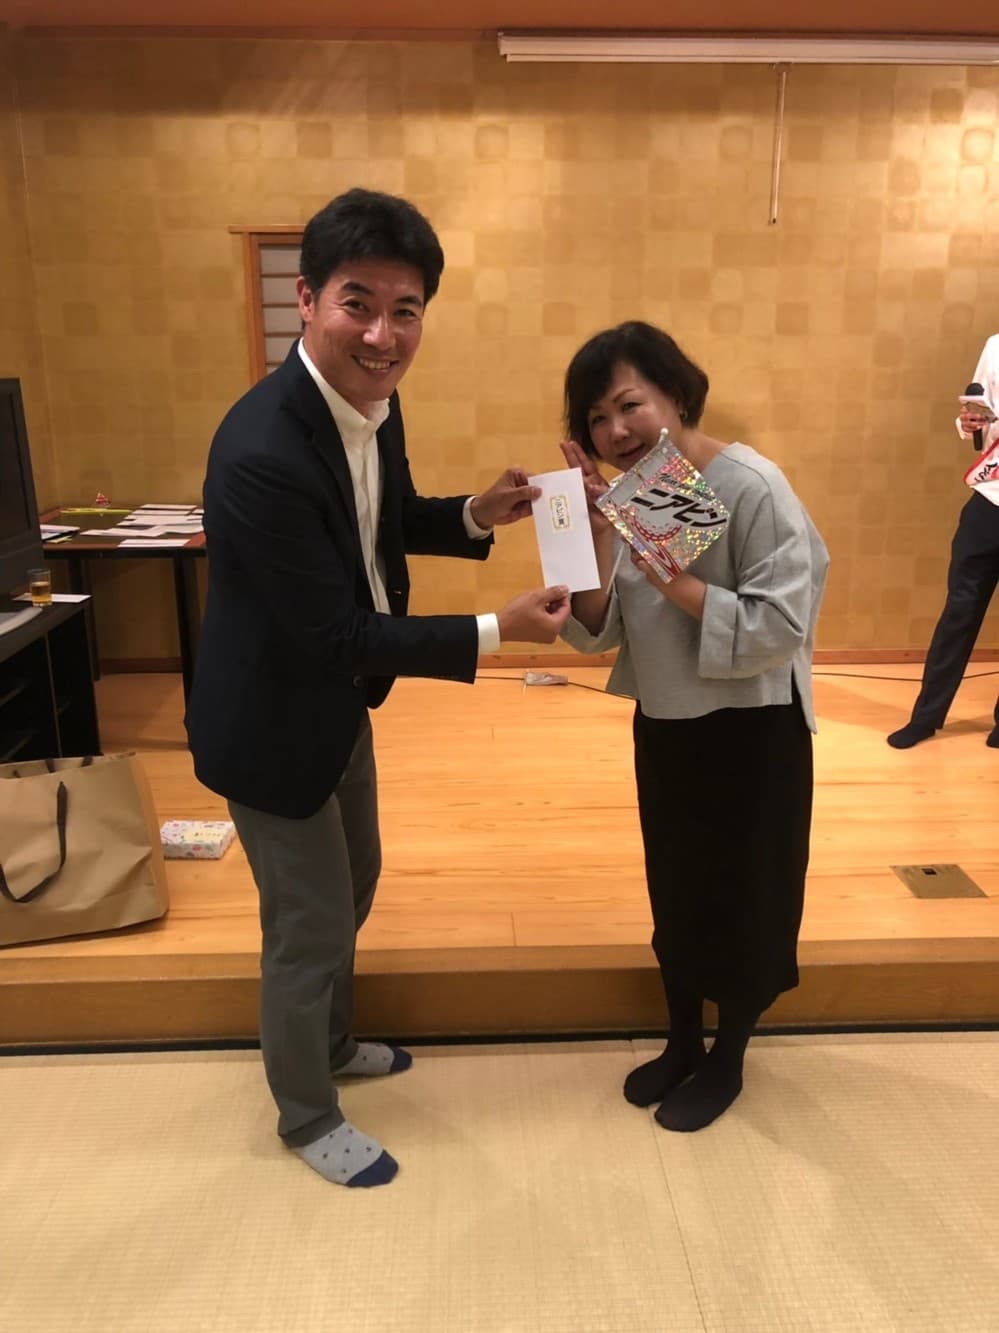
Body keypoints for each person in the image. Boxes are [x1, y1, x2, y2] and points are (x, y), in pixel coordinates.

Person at [185, 188, 570, 1187]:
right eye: (358, 303)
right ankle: (306, 1113)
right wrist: (497, 630)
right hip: (269, 722)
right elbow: (332, 631)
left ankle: (332, 1041)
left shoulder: (369, 404)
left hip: (335, 700)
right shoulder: (261, 451)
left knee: (354, 880)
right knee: (307, 923)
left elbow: (380, 518)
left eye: (406, 311)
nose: (382, 334)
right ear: (308, 299)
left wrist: (474, 514)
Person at [559, 321, 828, 1132]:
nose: (615, 431)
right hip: (670, 719)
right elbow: (599, 630)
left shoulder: (751, 484)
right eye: (596, 419)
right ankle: (682, 1039)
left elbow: (779, 625)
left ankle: (728, 1056)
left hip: (754, 729)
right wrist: (590, 534)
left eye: (628, 405)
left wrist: (673, 579)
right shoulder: (644, 491)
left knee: (748, 893)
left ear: (676, 394)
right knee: (676, 885)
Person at [887, 334, 999, 749]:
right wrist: (969, 423)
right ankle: (926, 718)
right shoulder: (995, 346)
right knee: (958, 613)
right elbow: (980, 411)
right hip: (989, 500)